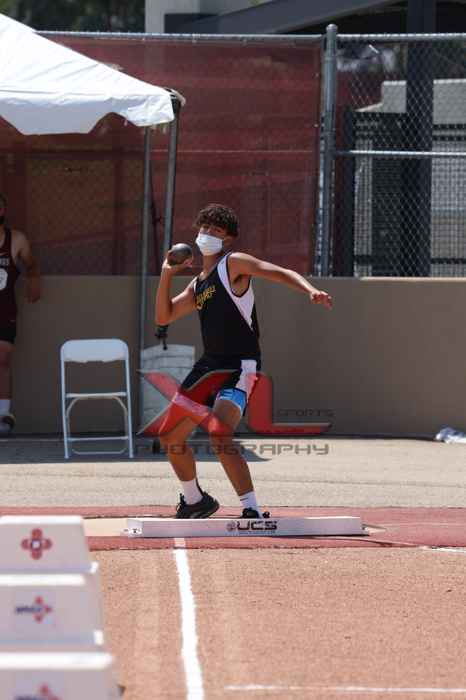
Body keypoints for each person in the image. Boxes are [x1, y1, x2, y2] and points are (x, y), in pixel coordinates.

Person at [155, 203, 332, 519]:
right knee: (170, 436)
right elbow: (164, 315)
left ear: (228, 239)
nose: (208, 234)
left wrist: (310, 290)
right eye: (205, 228)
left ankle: (251, 509)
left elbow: (277, 271)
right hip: (209, 366)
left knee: (219, 434)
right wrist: (167, 273)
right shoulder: (198, 284)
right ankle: (195, 500)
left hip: (239, 366)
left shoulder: (233, 263)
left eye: (216, 230)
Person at [0, 194, 41, 433]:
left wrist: (34, 279)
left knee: (3, 358)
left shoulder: (16, 239)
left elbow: (31, 264)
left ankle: (3, 416)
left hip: (4, 310)